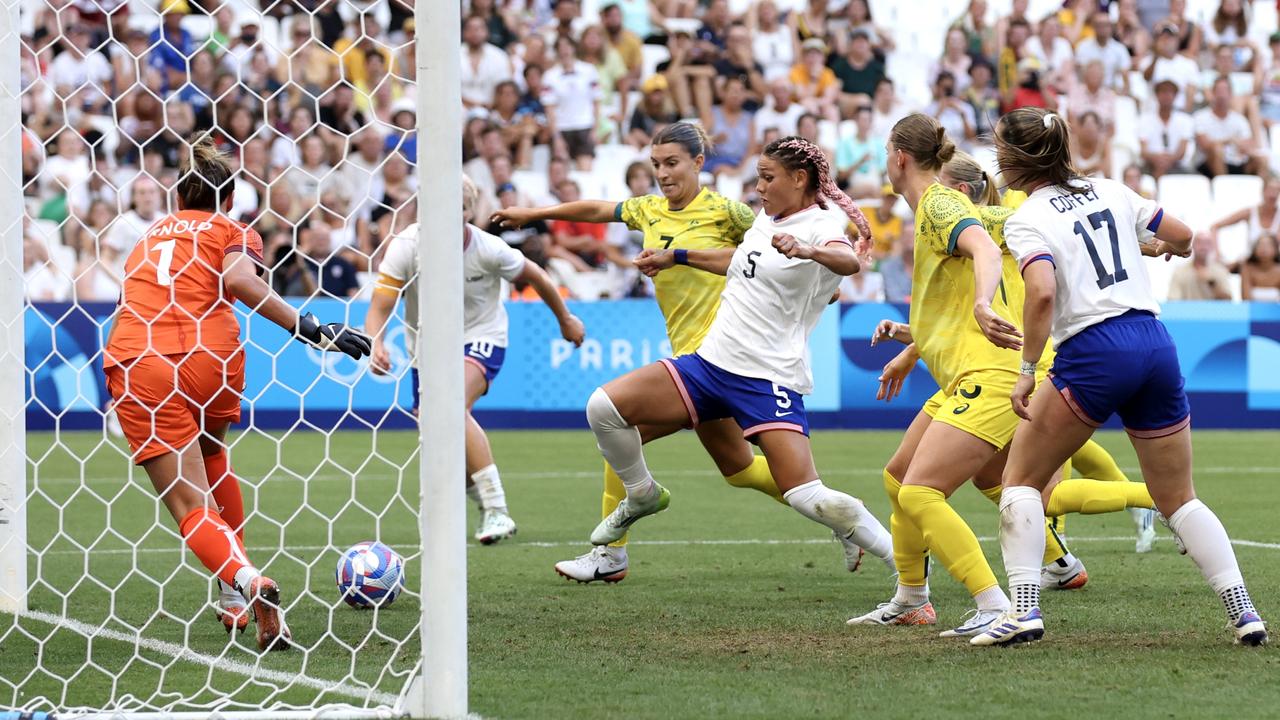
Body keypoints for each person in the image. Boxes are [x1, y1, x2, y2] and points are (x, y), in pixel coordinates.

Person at [491, 124, 881, 582]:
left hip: (723, 355)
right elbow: (598, 209)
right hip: (698, 358)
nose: (662, 173)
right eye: (656, 164)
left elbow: (773, 250)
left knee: (623, 427)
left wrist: (817, 278)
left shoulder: (732, 211)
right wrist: (534, 212)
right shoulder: (649, 210)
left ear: (699, 163)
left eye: (672, 163)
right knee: (738, 470)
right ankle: (843, 520)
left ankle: (611, 556)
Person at [846, 114, 1154, 637]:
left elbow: (986, 251)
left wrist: (985, 303)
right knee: (902, 480)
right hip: (971, 371)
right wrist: (910, 346)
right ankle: (913, 597)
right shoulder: (963, 209)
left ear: (899, 157)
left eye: (885, 152)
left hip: (992, 369)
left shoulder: (940, 204)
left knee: (930, 492)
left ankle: (994, 603)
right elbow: (998, 245)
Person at [974, 106, 1268, 648]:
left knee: (1020, 480)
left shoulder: (1026, 217)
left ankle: (1022, 611)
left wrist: (1024, 370)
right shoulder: (1111, 189)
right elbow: (1183, 236)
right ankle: (1244, 611)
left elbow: (1041, 293)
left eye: (1000, 151)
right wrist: (1162, 248)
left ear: (1017, 159)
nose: (996, 160)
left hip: (1094, 350)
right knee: (1179, 496)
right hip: (1154, 343)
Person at [102, 136, 372, 652]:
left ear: (178, 198)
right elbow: (240, 282)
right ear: (228, 199)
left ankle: (244, 581)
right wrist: (314, 328)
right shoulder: (234, 229)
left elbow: (131, 304)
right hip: (212, 357)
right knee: (211, 454)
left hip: (143, 360)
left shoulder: (149, 236)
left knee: (188, 503)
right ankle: (231, 595)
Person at [366, 176, 585, 545]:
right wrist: (375, 342)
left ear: (469, 213)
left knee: (450, 407)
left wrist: (566, 319)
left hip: (482, 337)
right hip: (428, 350)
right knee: (439, 434)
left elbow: (539, 277)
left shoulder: (489, 249)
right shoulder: (407, 246)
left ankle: (497, 507)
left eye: (457, 211)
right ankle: (487, 508)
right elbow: (380, 306)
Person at [1194, 75, 1260, 177]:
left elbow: (1248, 146)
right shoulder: (1200, 117)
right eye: (1219, 91)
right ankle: (1224, 188)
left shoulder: (1239, 119)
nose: (1222, 95)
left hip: (1236, 162)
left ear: (1231, 94)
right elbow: (1205, 145)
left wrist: (1241, 146)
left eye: (1225, 91)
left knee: (1261, 160)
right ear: (1212, 93)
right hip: (1207, 165)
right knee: (1217, 150)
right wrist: (1230, 141)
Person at [1205, 175, 1280, 255]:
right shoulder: (1249, 212)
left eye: (1277, 191)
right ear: (1263, 191)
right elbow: (1215, 226)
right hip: (1251, 263)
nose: (1273, 194)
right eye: (1270, 190)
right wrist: (1217, 253)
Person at [1139, 79, 1195, 179]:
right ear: (1157, 95)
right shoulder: (1145, 119)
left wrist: (1166, 161)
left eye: (1170, 92)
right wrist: (1158, 159)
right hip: (1150, 165)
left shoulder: (1185, 120)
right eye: (1163, 92)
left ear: (1175, 96)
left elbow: (1182, 151)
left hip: (1176, 166)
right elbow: (1144, 151)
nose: (1166, 96)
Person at [1168, 234, 1233, 300]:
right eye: (1199, 242)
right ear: (1192, 245)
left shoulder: (1221, 271)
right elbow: (1173, 300)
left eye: (1207, 243)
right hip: (1186, 310)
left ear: (1212, 247)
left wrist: (1211, 282)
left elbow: (1228, 301)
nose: (1203, 246)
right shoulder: (1180, 272)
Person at [1242, 233, 1280, 301]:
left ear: (1276, 249)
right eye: (1260, 245)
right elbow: (1245, 298)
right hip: (1253, 310)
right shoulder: (1247, 268)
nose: (1264, 249)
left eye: (1268, 245)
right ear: (1254, 249)